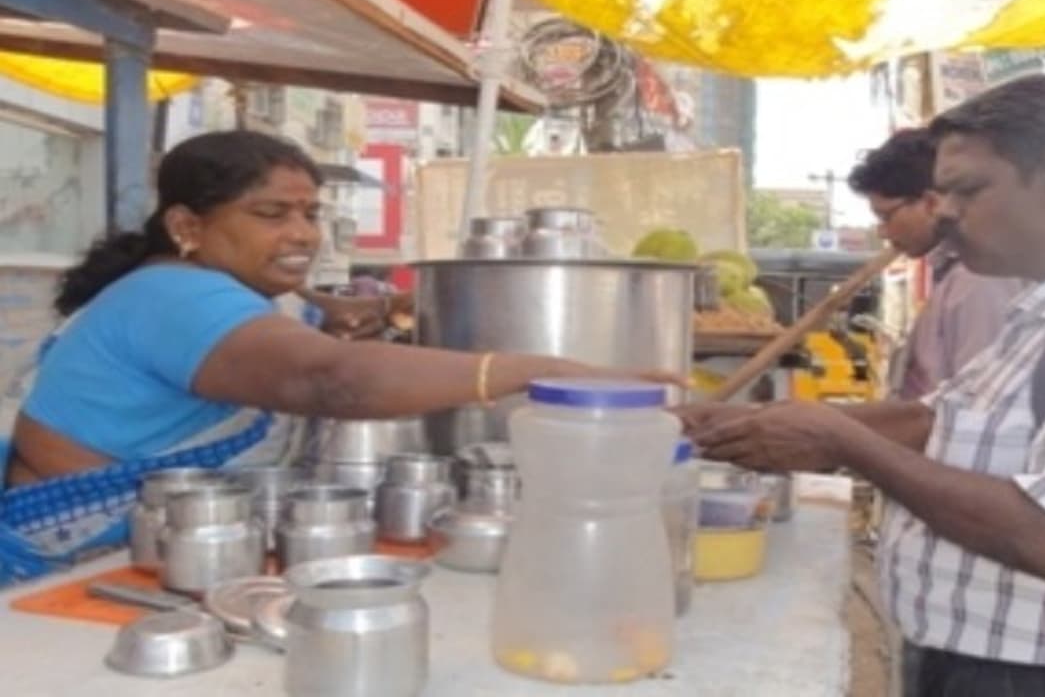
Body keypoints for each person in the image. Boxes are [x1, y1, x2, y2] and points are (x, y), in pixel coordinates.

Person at [679, 75, 1045, 695]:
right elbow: (936, 421)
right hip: (986, 665)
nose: (945, 212)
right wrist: (741, 426)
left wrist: (842, 442)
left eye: (968, 190)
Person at [0, 130, 675, 586]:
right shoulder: (173, 296)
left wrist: (333, 310)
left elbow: (287, 337)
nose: (302, 234)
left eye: (310, 213)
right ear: (186, 226)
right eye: (272, 214)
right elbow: (328, 378)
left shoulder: (196, 287)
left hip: (154, 547)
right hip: (75, 561)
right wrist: (536, 371)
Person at [847, 128, 1022, 399]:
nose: (883, 232)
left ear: (930, 203)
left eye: (886, 216)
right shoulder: (951, 278)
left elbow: (977, 404)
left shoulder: (979, 282)